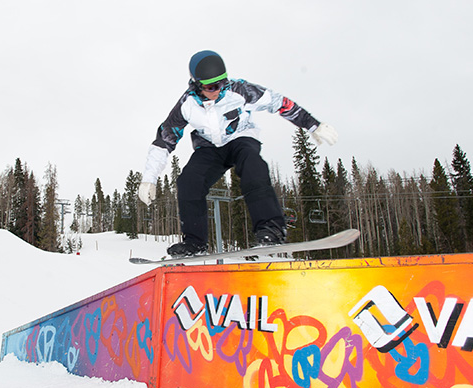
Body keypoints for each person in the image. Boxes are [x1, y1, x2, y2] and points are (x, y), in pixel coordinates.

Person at [138, 50, 339, 257]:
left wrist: (313, 125)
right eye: (210, 87)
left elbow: (279, 103)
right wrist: (149, 179)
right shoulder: (186, 105)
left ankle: (270, 229)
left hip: (241, 139)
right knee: (188, 181)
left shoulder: (240, 90)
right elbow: (164, 140)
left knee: (253, 165)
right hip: (209, 148)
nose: (217, 90)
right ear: (196, 85)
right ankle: (194, 242)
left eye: (220, 83)